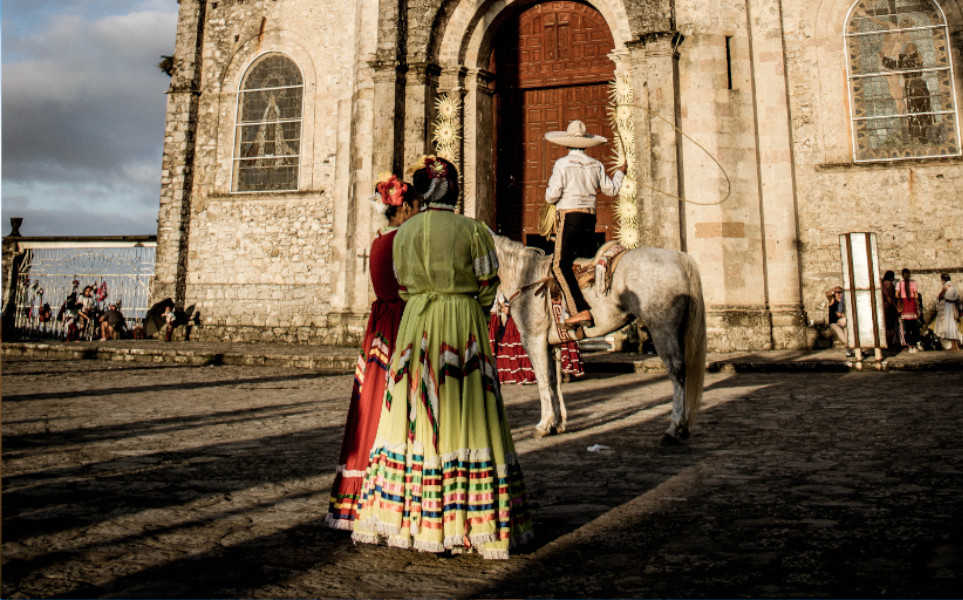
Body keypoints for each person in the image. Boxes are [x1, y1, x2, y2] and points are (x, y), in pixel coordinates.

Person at [351, 155, 533, 559]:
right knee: (468, 413)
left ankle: (414, 517)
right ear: (455, 189)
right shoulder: (474, 231)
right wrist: (468, 304)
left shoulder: (405, 234)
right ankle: (472, 520)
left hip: (417, 322)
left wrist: (421, 299)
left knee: (413, 413)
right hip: (463, 324)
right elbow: (489, 284)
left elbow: (399, 283)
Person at [326, 174, 421, 530]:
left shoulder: (379, 241)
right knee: (398, 403)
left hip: (378, 327)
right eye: (415, 207)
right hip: (401, 323)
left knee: (372, 401)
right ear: (405, 208)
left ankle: (358, 489)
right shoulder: (405, 242)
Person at [544, 120, 625, 328]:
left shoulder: (562, 164)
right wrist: (621, 172)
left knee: (559, 265)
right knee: (582, 263)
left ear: (567, 144)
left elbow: (551, 196)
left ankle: (579, 310)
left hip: (570, 218)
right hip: (590, 219)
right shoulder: (596, 165)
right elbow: (612, 190)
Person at [489, 292, 584, 384]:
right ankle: (562, 370)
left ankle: (562, 371)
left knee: (558, 340)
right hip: (551, 313)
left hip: (550, 314)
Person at [896, 268, 922, 353]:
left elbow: (896, 295)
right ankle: (914, 345)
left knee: (906, 327)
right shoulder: (913, 283)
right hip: (912, 305)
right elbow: (916, 296)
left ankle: (908, 345)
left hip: (904, 306)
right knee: (913, 327)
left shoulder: (899, 283)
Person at [935, 273, 961, 351]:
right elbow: (957, 298)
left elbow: (940, 295)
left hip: (948, 307)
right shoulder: (954, 286)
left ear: (943, 279)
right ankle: (955, 346)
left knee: (950, 326)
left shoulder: (947, 285)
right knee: (953, 326)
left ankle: (955, 346)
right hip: (953, 306)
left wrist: (940, 297)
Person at [827, 286, 853, 357]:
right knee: (844, 338)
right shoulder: (832, 300)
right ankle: (849, 349)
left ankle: (849, 352)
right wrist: (833, 289)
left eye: (840, 292)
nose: (838, 294)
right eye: (837, 293)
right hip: (834, 323)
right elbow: (827, 294)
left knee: (849, 335)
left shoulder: (844, 301)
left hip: (843, 321)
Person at [881, 270, 899, 349]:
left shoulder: (881, 284)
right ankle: (889, 343)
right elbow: (889, 298)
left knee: (885, 326)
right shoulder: (889, 285)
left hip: (882, 307)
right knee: (890, 326)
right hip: (889, 307)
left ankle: (886, 342)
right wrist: (896, 307)